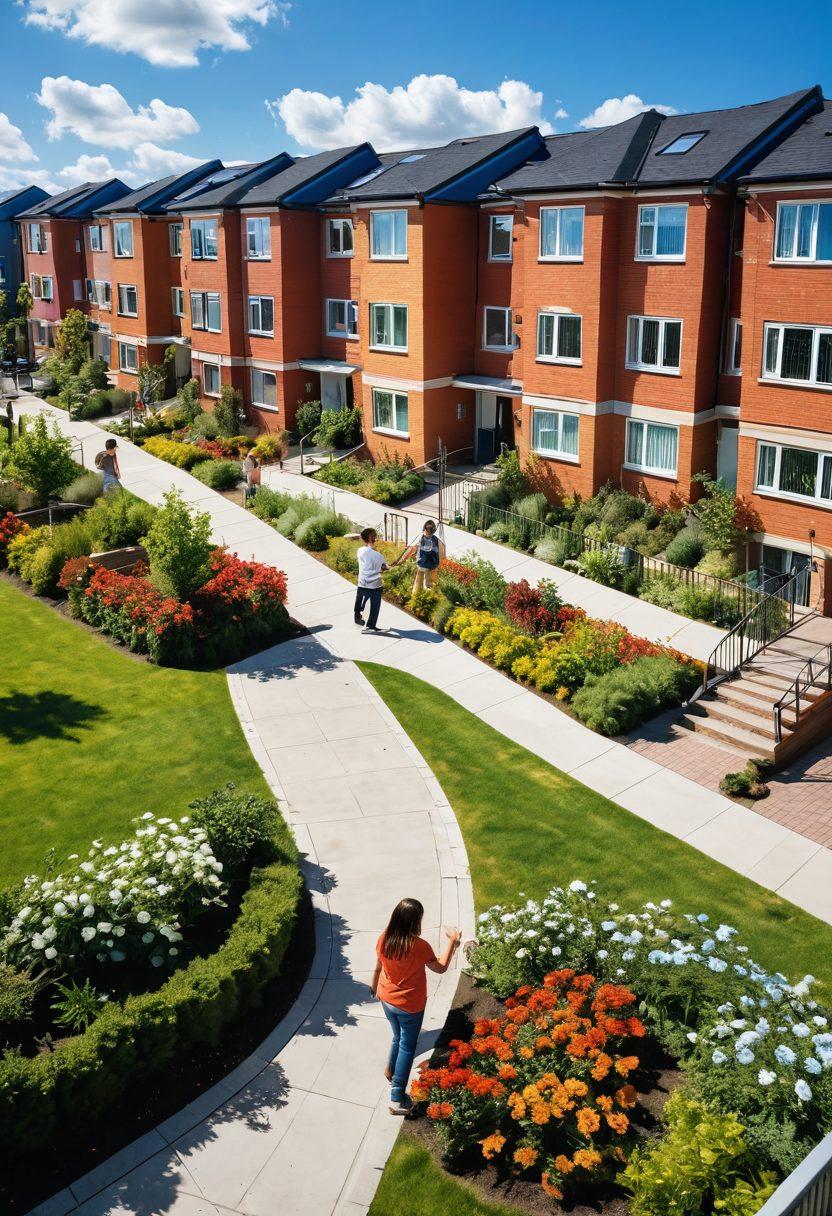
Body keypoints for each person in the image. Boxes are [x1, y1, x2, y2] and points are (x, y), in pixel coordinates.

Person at [371, 898, 462, 1115]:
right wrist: (452, 941)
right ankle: (397, 1100)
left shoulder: (384, 938)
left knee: (397, 1037)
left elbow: (378, 966)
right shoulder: (418, 946)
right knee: (407, 1047)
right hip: (409, 1006)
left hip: (386, 999)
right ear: (415, 922)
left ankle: (390, 1070)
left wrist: (374, 987)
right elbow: (440, 967)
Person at [397, 519, 444, 595]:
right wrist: (439, 565)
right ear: (433, 530)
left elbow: (412, 549)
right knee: (428, 582)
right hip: (431, 565)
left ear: (425, 529)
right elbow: (441, 554)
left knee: (419, 581)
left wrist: (403, 559)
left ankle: (418, 594)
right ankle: (427, 593)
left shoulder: (421, 537)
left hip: (421, 564)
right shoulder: (436, 539)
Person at [355, 526, 388, 632]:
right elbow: (385, 567)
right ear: (371, 538)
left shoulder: (360, 550)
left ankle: (358, 616)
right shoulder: (377, 555)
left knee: (361, 602)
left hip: (362, 582)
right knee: (374, 605)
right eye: (375, 537)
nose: (376, 539)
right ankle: (370, 626)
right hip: (374, 585)